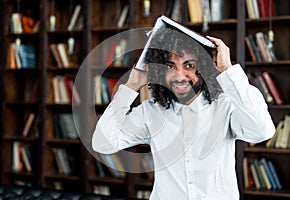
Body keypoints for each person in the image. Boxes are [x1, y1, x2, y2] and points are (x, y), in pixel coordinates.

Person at [92, 27, 275, 199]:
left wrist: (227, 70)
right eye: (170, 66)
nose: (179, 76)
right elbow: (103, 143)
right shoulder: (151, 111)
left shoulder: (225, 105)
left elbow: (262, 131)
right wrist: (131, 87)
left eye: (188, 66)